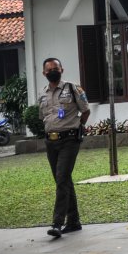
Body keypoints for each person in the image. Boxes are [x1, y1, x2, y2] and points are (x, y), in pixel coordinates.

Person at [38, 57, 90, 238]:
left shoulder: (72, 88)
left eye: (56, 68)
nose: (52, 71)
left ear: (62, 69)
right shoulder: (43, 93)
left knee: (61, 179)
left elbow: (85, 110)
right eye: (49, 69)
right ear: (44, 73)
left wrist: (78, 128)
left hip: (69, 140)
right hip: (50, 142)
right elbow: (42, 117)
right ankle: (74, 221)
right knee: (63, 180)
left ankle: (57, 223)